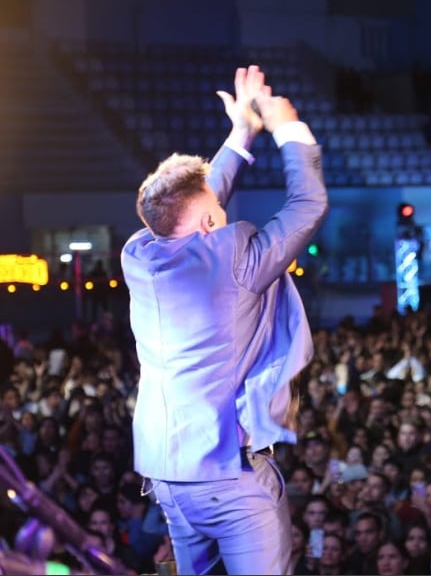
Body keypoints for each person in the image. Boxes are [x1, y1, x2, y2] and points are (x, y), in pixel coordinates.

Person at [121, 64, 328, 575]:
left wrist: (241, 134)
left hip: (169, 479)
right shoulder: (237, 260)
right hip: (229, 483)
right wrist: (285, 125)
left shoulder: (140, 253)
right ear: (212, 220)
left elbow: (188, 205)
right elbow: (309, 203)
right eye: (216, 206)